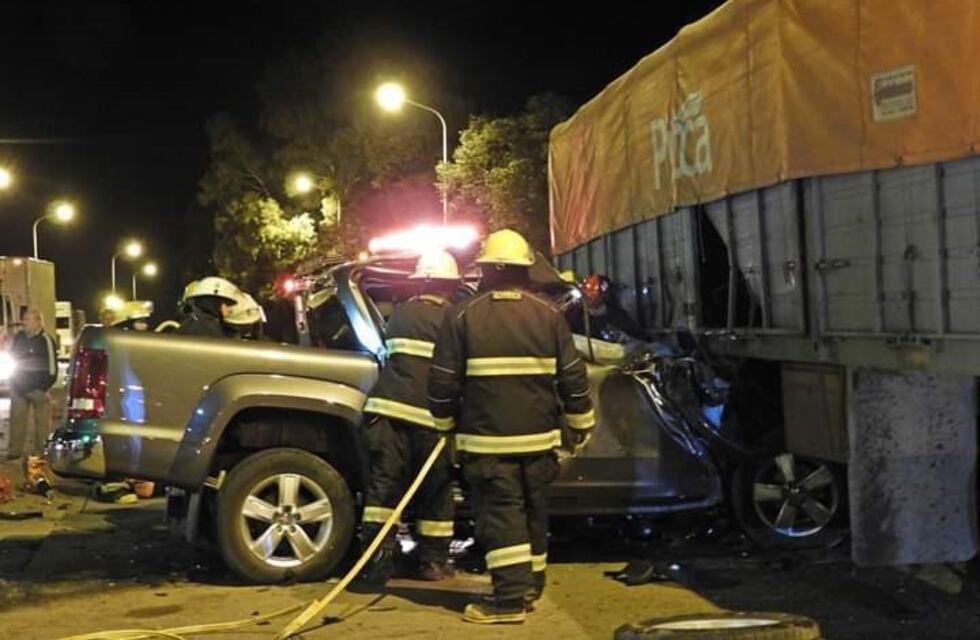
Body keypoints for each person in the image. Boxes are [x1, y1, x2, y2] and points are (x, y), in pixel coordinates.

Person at [428, 229, 595, 624]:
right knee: (533, 510)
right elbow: (573, 377)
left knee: (501, 516)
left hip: (488, 442)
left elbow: (442, 381)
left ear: (487, 267)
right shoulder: (549, 314)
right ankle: (530, 586)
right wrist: (580, 421)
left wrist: (444, 423)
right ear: (523, 269)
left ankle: (507, 602)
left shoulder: (462, 315)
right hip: (540, 441)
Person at [361, 250, 460, 582]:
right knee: (436, 492)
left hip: (387, 414)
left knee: (384, 489)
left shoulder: (401, 314)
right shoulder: (455, 318)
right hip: (430, 420)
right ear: (449, 285)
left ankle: (376, 561)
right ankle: (432, 562)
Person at [7, 309, 58, 466]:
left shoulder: (46, 340)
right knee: (16, 421)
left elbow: (52, 368)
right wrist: (14, 381)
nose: (24, 322)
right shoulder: (18, 338)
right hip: (18, 387)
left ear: (38, 322)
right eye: (24, 319)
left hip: (38, 389)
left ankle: (42, 453)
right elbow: (12, 359)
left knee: (42, 423)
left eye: (28, 320)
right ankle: (14, 452)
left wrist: (44, 387)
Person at [577, 274, 646, 342]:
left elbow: (637, 335)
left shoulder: (617, 316)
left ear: (605, 296)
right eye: (587, 295)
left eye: (593, 295)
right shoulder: (577, 315)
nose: (590, 299)